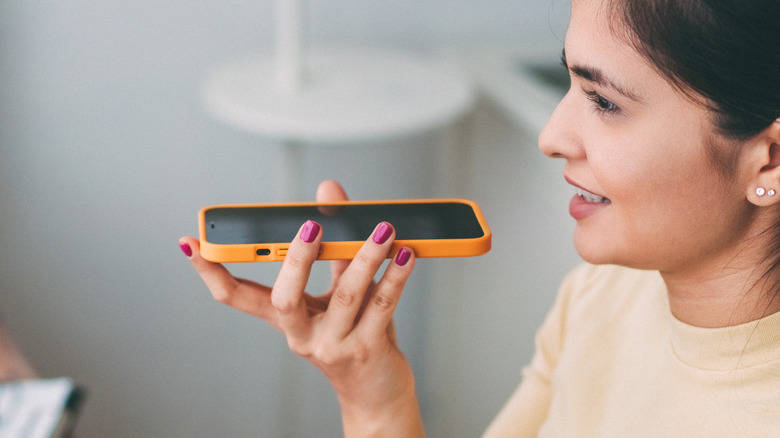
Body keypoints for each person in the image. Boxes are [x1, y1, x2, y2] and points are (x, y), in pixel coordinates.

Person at [179, 0, 780, 435]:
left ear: (770, 160)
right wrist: (372, 396)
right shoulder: (603, 295)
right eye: (570, 83)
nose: (551, 137)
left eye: (604, 102)